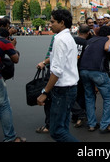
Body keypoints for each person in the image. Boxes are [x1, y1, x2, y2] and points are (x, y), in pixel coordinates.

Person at [37, 9, 79, 142]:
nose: (50, 24)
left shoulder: (60, 39)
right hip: (71, 87)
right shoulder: (69, 37)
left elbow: (57, 71)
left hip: (62, 90)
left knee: (56, 131)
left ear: (62, 23)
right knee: (63, 127)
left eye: (52, 21)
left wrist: (45, 92)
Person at [78, 25, 110, 134]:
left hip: (83, 70)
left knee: (89, 97)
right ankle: (104, 125)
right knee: (108, 98)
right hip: (98, 71)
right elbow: (108, 51)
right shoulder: (107, 40)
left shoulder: (90, 40)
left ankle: (91, 124)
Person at [34, 34, 55, 134]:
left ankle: (50, 126)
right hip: (53, 69)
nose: (51, 24)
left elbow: (54, 55)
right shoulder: (63, 37)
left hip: (53, 70)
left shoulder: (58, 38)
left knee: (49, 99)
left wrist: (44, 62)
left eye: (53, 21)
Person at [72, 24, 88, 128]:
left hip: (71, 70)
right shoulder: (87, 44)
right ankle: (80, 115)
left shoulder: (72, 41)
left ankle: (75, 115)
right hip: (81, 70)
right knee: (81, 94)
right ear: (88, 33)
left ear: (78, 32)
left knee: (73, 94)